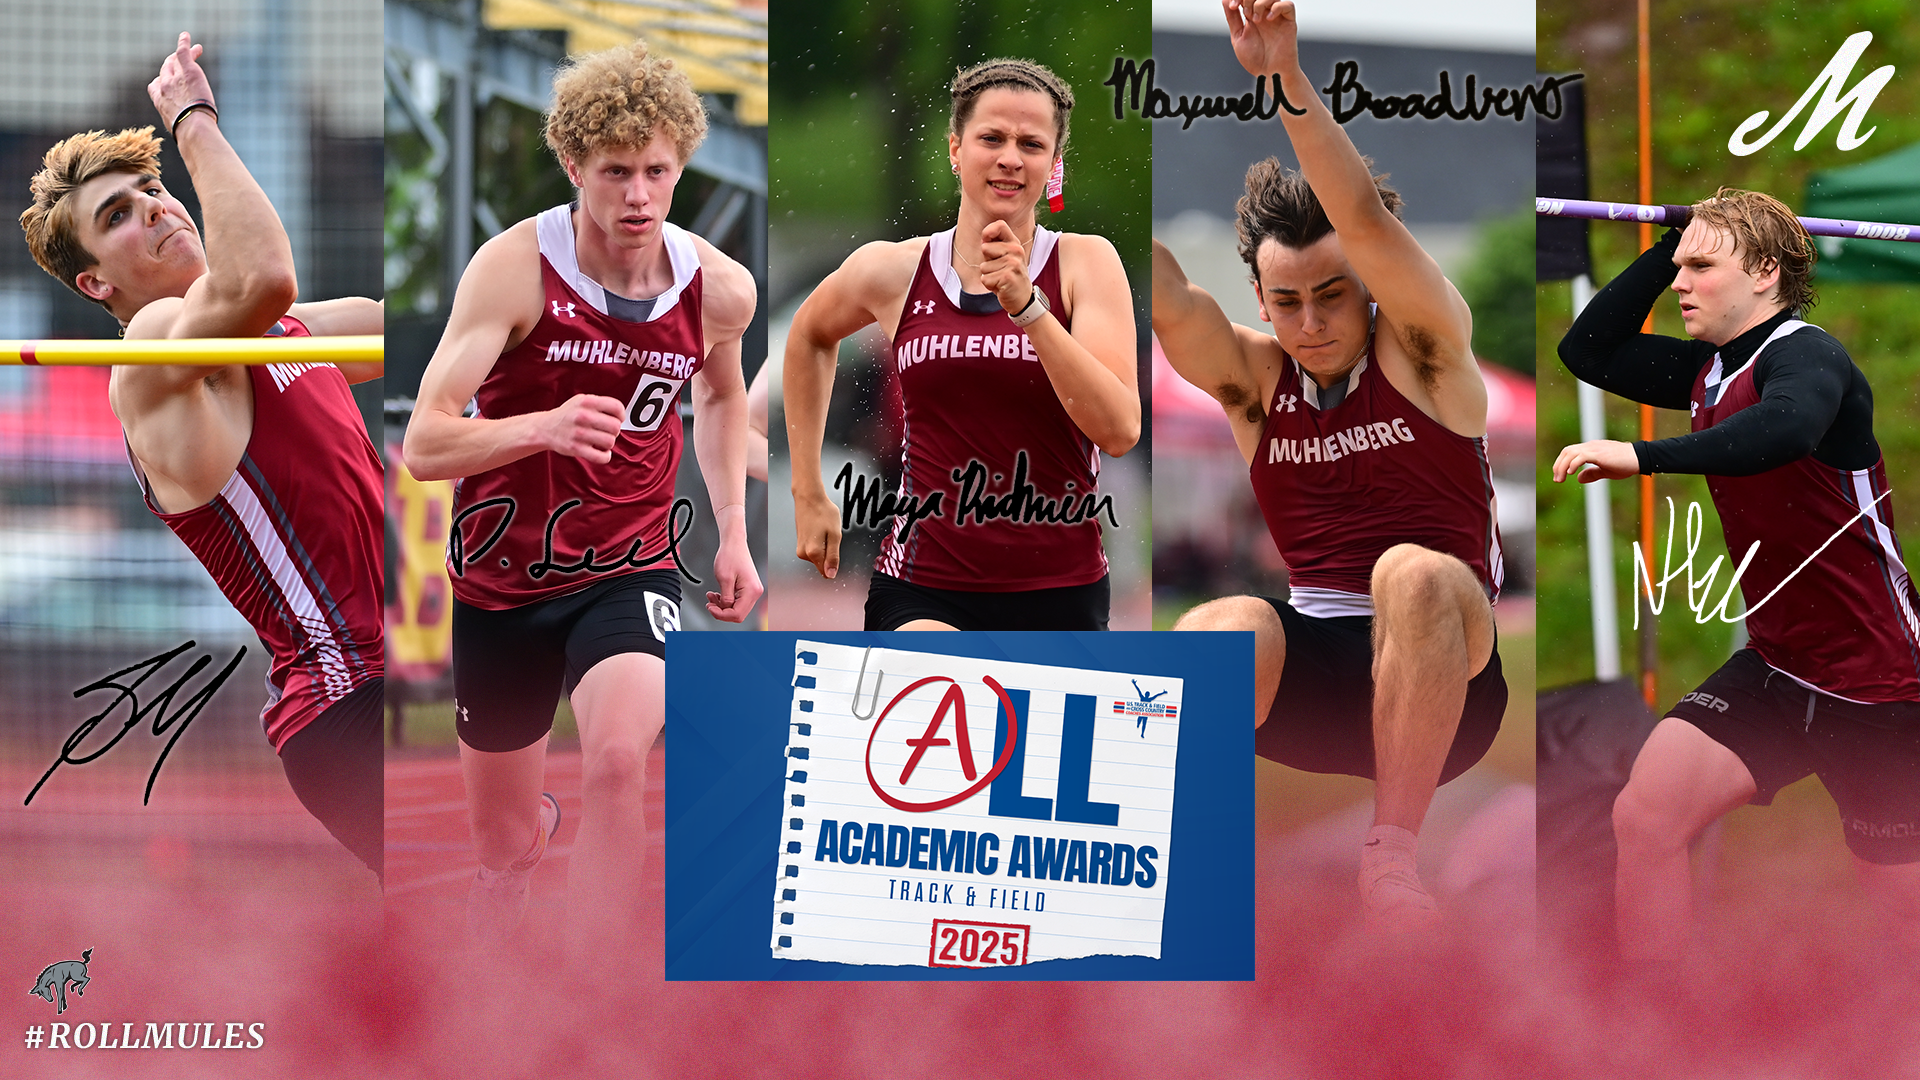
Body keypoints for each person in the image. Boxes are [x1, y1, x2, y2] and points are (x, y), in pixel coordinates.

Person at [1153, 0, 1505, 931]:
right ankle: (1168, 865)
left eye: (1332, 296)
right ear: (1262, 305)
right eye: (1287, 302)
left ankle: (1391, 864)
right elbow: (1160, 294)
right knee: (1219, 619)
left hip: (1450, 678)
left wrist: (1285, 82)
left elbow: (1362, 219)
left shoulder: (1424, 351)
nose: (1311, 323)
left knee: (1410, 570)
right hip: (1317, 684)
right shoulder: (1251, 380)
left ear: (1371, 294)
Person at [401, 40, 759, 954]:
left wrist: (732, 535)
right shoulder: (514, 269)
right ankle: (510, 868)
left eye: (657, 172)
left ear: (680, 166)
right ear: (573, 167)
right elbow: (425, 441)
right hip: (503, 577)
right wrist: (539, 428)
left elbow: (719, 394)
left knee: (614, 763)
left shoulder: (719, 290)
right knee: (502, 839)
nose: (637, 196)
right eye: (614, 173)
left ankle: (591, 988)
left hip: (628, 566)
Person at [18, 33, 385, 880]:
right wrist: (191, 121)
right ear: (95, 285)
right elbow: (260, 276)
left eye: (151, 190)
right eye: (117, 216)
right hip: (344, 701)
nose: (154, 208)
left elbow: (438, 339)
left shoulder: (291, 335)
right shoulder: (150, 355)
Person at [1553, 188, 1920, 962]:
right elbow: (1586, 351)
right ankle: (1659, 1034)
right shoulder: (1708, 371)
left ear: (1762, 271)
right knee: (1646, 817)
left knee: (1903, 910)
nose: (1680, 283)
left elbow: (1784, 429)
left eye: (1700, 267)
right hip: (1780, 667)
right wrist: (1671, 239)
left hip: (1879, 683)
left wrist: (1642, 457)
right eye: (1679, 267)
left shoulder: (1807, 354)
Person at [785, 57, 1139, 631]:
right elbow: (808, 336)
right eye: (991, 138)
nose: (1009, 157)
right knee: (941, 695)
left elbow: (1119, 428)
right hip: (923, 586)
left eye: (1031, 143)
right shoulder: (894, 269)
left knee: (1022, 724)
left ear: (1054, 166)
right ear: (955, 150)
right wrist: (808, 488)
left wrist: (1029, 310)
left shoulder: (1085, 263)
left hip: (1059, 588)